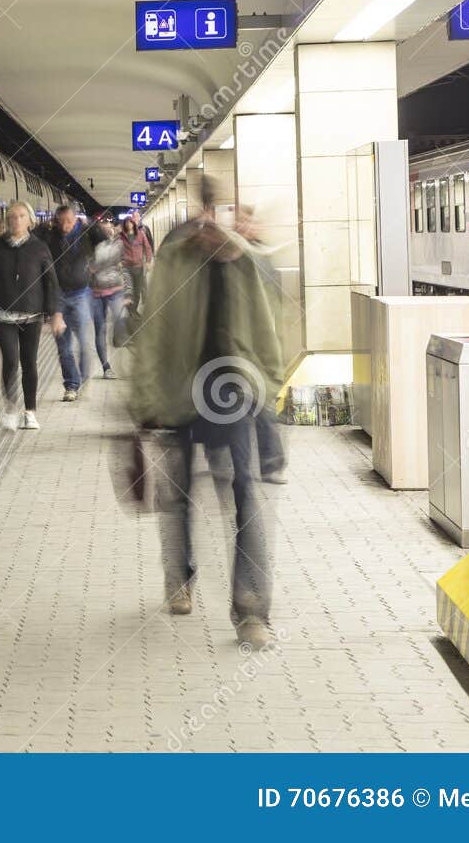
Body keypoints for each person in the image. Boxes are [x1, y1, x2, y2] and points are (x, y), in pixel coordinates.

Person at [128, 178, 285, 650]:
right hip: (178, 396)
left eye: (221, 213)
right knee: (175, 497)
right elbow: (152, 332)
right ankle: (179, 578)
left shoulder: (247, 265)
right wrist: (145, 401)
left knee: (244, 496)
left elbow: (269, 331)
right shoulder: (175, 260)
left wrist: (268, 390)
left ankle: (252, 610)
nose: (212, 223)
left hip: (233, 397)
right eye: (207, 212)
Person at [0, 201, 65, 430]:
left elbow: (51, 281)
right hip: (2, 313)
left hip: (32, 313)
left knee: (29, 363)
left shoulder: (40, 248)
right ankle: (10, 409)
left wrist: (55, 313)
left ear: (30, 220)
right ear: (7, 220)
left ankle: (30, 412)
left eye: (21, 216)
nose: (16, 220)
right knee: (10, 361)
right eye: (12, 216)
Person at [234, 203, 288, 484]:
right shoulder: (228, 255)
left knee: (262, 403)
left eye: (246, 222)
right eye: (238, 222)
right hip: (235, 342)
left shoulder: (262, 257)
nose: (242, 227)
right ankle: (237, 461)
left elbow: (272, 303)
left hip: (258, 343)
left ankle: (271, 463)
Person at [37, 204, 110, 403]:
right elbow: (33, 238)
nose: (65, 226)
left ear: (75, 219)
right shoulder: (51, 236)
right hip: (57, 296)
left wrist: (91, 223)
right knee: (64, 346)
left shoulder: (86, 233)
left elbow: (105, 239)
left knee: (86, 343)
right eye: (61, 222)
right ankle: (71, 385)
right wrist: (45, 226)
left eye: (69, 221)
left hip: (81, 294)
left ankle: (85, 378)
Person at [88, 215, 126, 380]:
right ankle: (106, 367)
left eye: (109, 226)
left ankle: (117, 342)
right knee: (100, 330)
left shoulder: (118, 244)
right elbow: (89, 268)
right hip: (96, 292)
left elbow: (126, 264)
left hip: (115, 288)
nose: (108, 228)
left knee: (119, 319)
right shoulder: (88, 249)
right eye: (104, 227)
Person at [120, 213, 156, 316]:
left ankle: (133, 310)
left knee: (137, 291)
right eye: (126, 222)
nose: (129, 224)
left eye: (130, 222)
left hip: (138, 267)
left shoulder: (140, 234)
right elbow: (116, 249)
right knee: (129, 289)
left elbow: (148, 247)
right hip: (126, 267)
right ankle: (130, 311)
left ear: (133, 223)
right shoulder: (121, 237)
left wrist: (149, 261)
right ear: (124, 224)